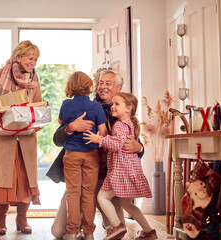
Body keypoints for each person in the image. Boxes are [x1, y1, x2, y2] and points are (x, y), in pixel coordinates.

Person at [48, 69, 144, 239]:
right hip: (80, 173)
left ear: (119, 88)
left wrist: (139, 148)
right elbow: (57, 139)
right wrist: (71, 127)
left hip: (107, 178)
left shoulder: (122, 113)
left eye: (108, 83)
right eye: (101, 82)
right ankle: (84, 228)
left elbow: (133, 147)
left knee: (116, 230)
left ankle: (86, 228)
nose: (103, 86)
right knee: (57, 231)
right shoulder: (91, 107)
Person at [0, 40, 42, 235]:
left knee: (25, 179)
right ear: (18, 57)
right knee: (4, 178)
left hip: (26, 138)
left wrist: (38, 120)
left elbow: (39, 104)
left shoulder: (34, 79)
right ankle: (0, 218)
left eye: (36, 59)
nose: (33, 62)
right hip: (2, 138)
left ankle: (22, 218)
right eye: (30, 58)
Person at [84, 92, 157, 240]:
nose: (113, 107)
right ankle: (149, 231)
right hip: (129, 169)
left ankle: (117, 225)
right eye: (113, 104)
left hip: (120, 170)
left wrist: (99, 139)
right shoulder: (128, 124)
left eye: (117, 104)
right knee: (128, 204)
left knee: (102, 197)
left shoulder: (120, 125)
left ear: (128, 108)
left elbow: (117, 144)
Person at [58, 71, 108, 240]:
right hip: (91, 154)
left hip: (71, 155)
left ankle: (72, 231)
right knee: (88, 193)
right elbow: (103, 132)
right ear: (89, 87)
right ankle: (88, 232)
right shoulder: (96, 107)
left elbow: (61, 125)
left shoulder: (66, 105)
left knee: (73, 193)